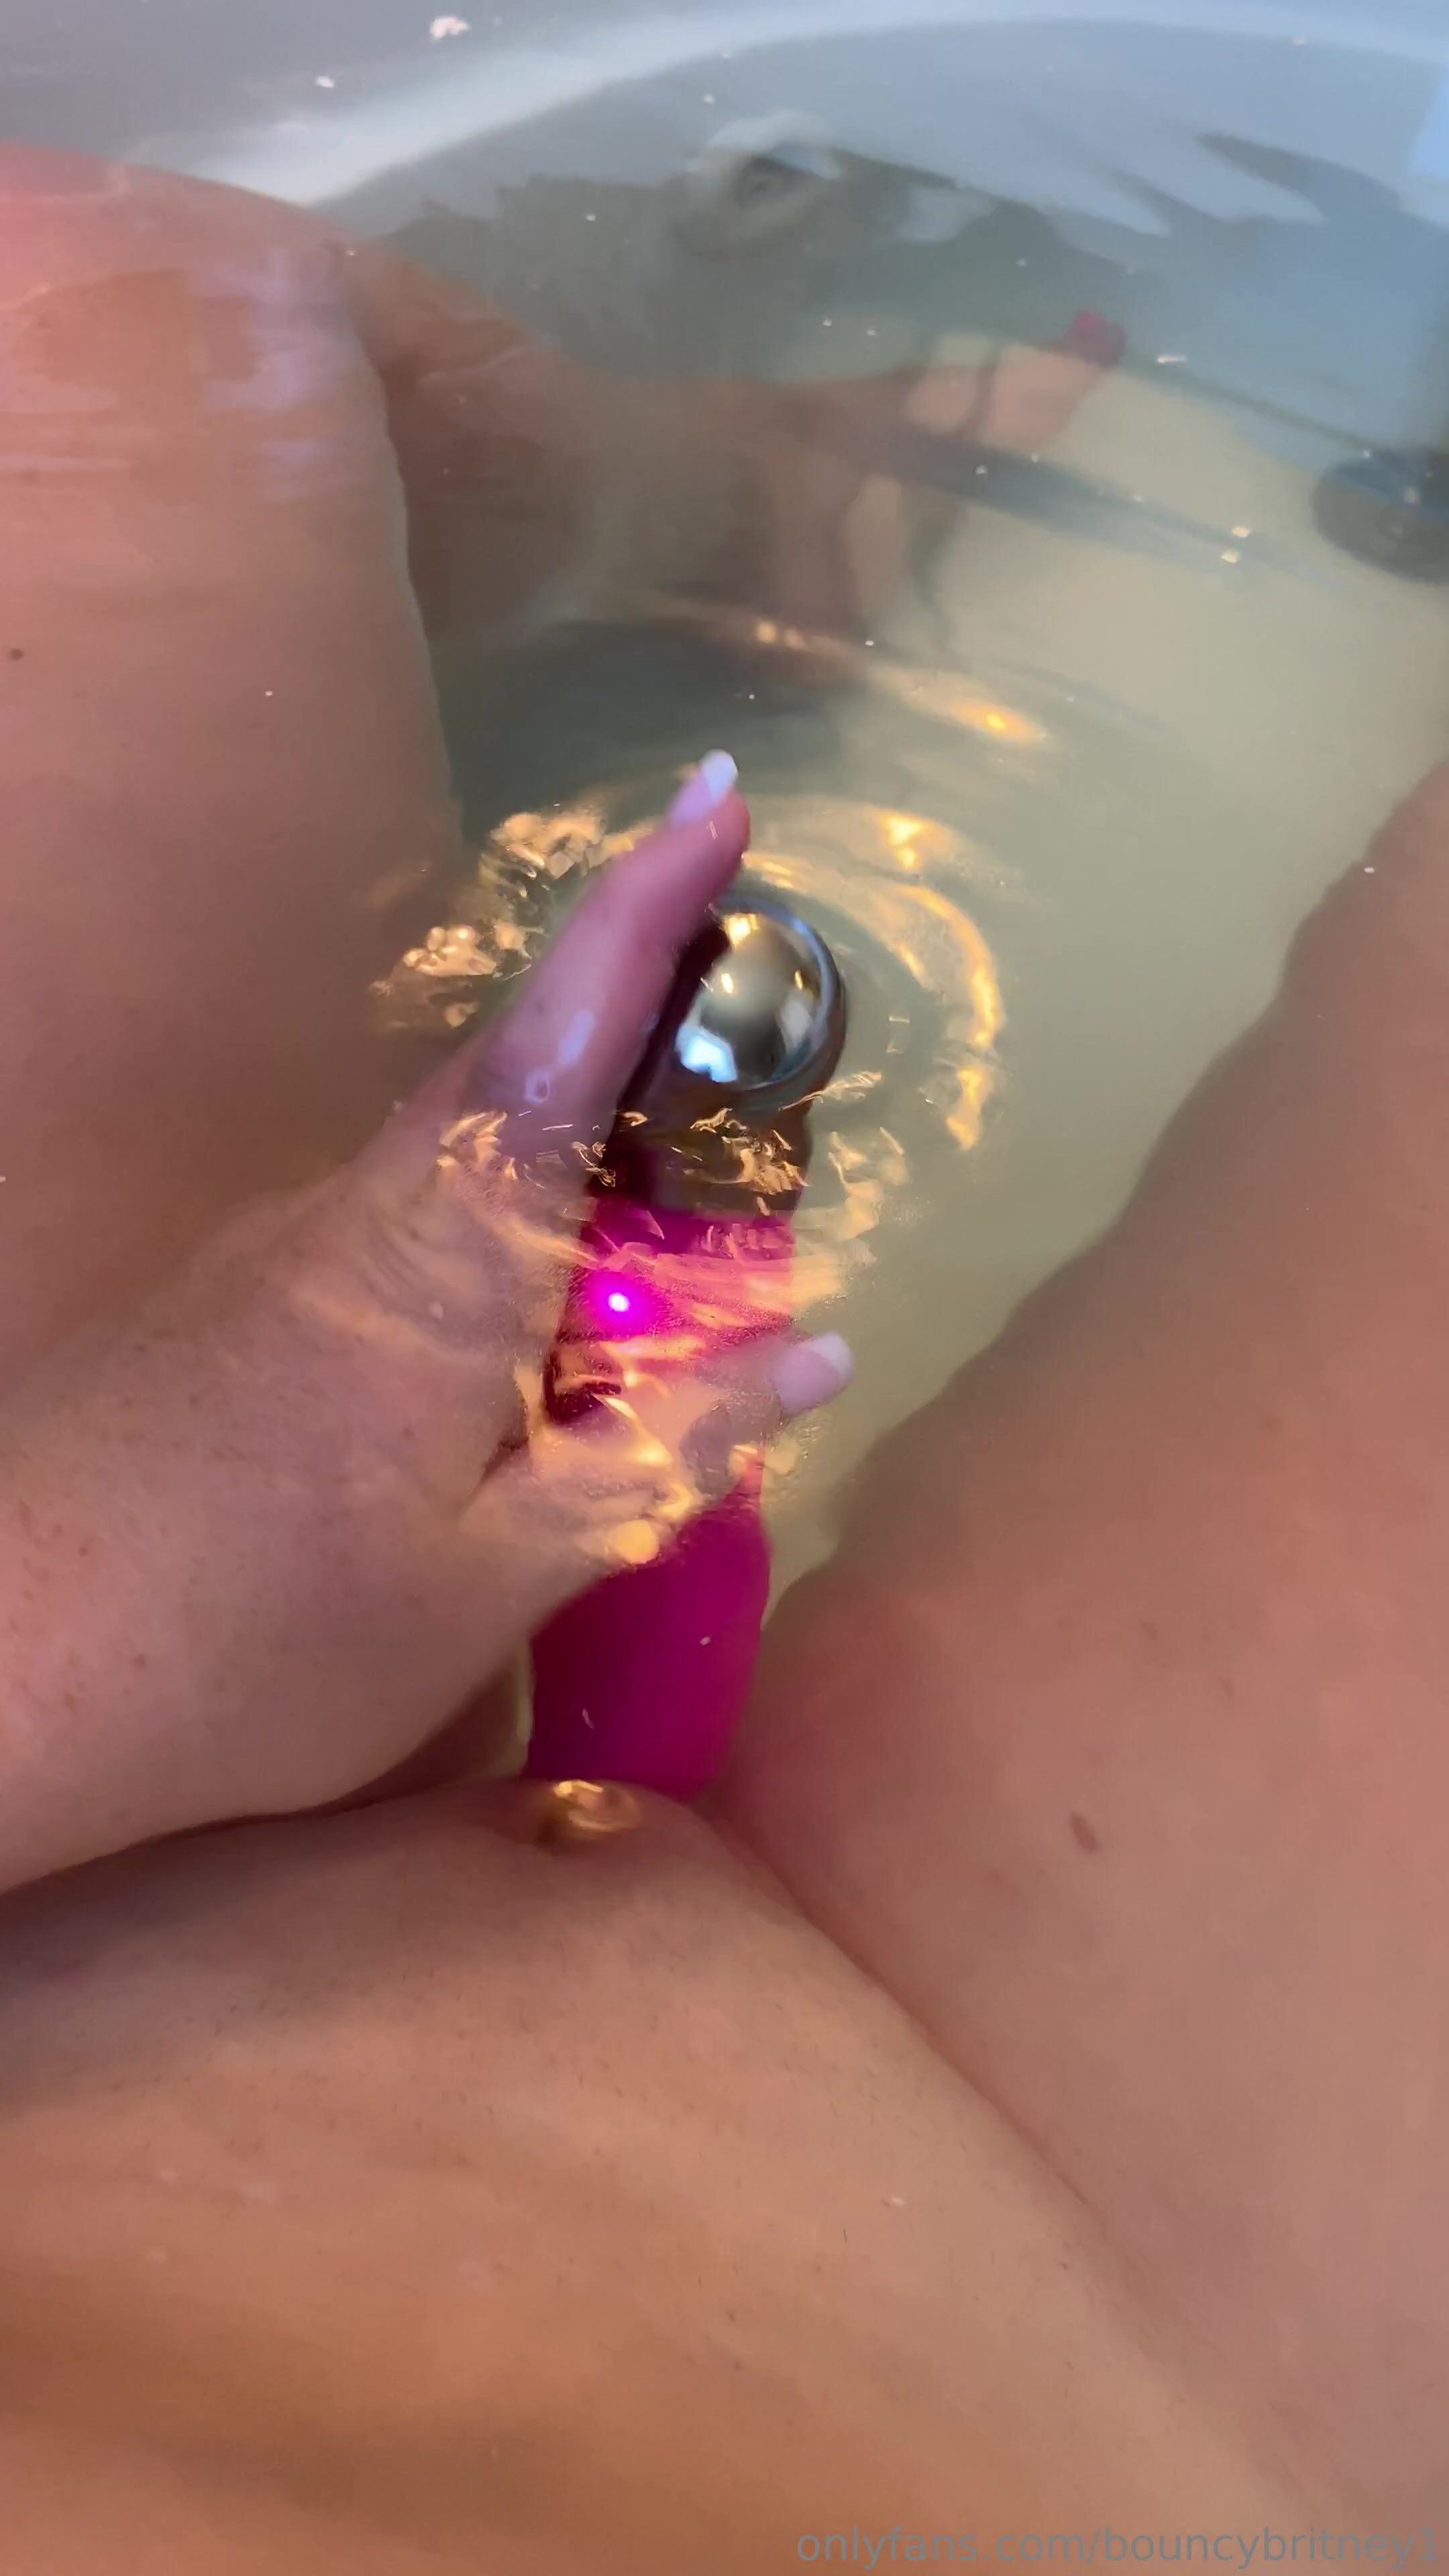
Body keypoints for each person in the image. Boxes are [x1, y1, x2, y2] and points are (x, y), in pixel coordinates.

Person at [0, 143, 1433, 2563]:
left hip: (62, 1905)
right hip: (1073, 2348)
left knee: (79, 290)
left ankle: (706, 503)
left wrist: (84, 1616)